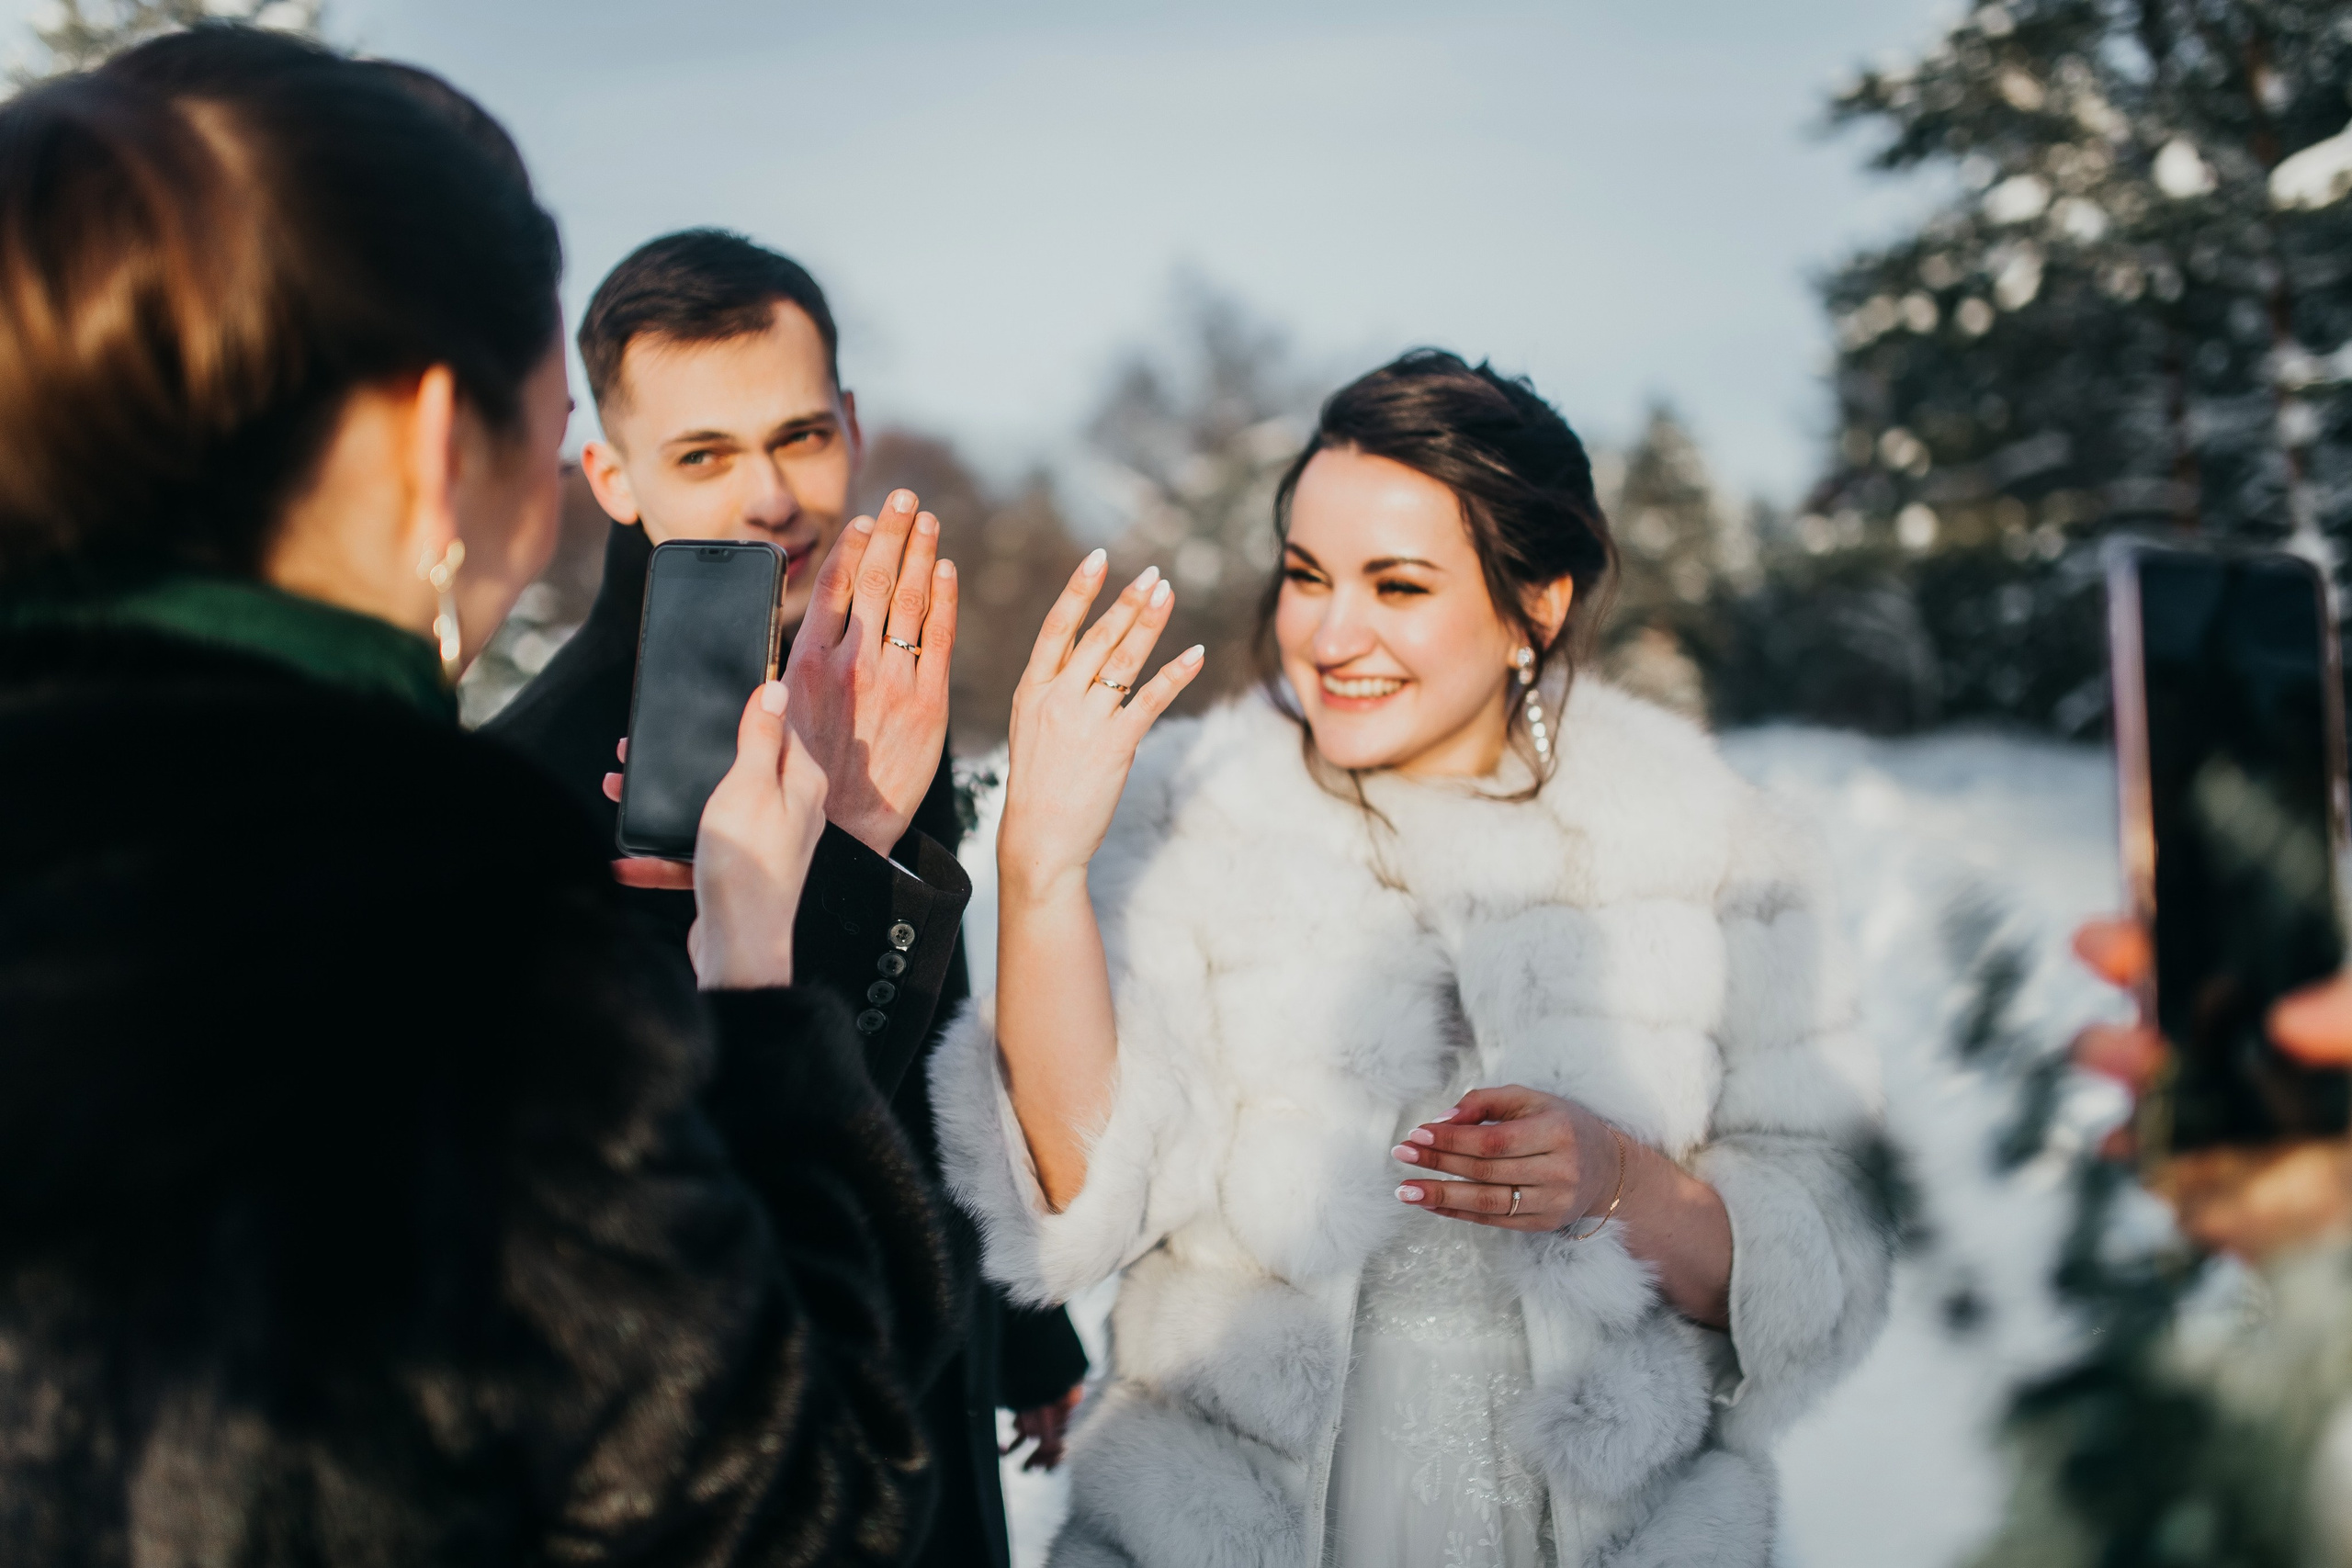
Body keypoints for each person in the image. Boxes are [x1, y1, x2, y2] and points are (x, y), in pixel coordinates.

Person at [0, 27, 956, 1565]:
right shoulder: (447, 904)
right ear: (443, 441)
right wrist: (772, 962)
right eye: (547, 413)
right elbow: (783, 1511)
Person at [930, 351, 1895, 1566]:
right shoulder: (1195, 810)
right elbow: (1069, 1205)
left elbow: (1832, 1267)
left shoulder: (1717, 848)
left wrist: (1625, 1186)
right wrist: (1044, 873)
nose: (1332, 632)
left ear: (1533, 603)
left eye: (1396, 585)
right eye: (1306, 575)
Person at [484, 231, 1087, 1567]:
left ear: (854, 429)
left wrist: (1024, 1315)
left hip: (935, 1353)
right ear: (611, 476)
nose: (771, 495)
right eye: (702, 455)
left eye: (801, 436)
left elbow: (940, 1031)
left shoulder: (876, 687)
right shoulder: (527, 786)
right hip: (747, 1451)